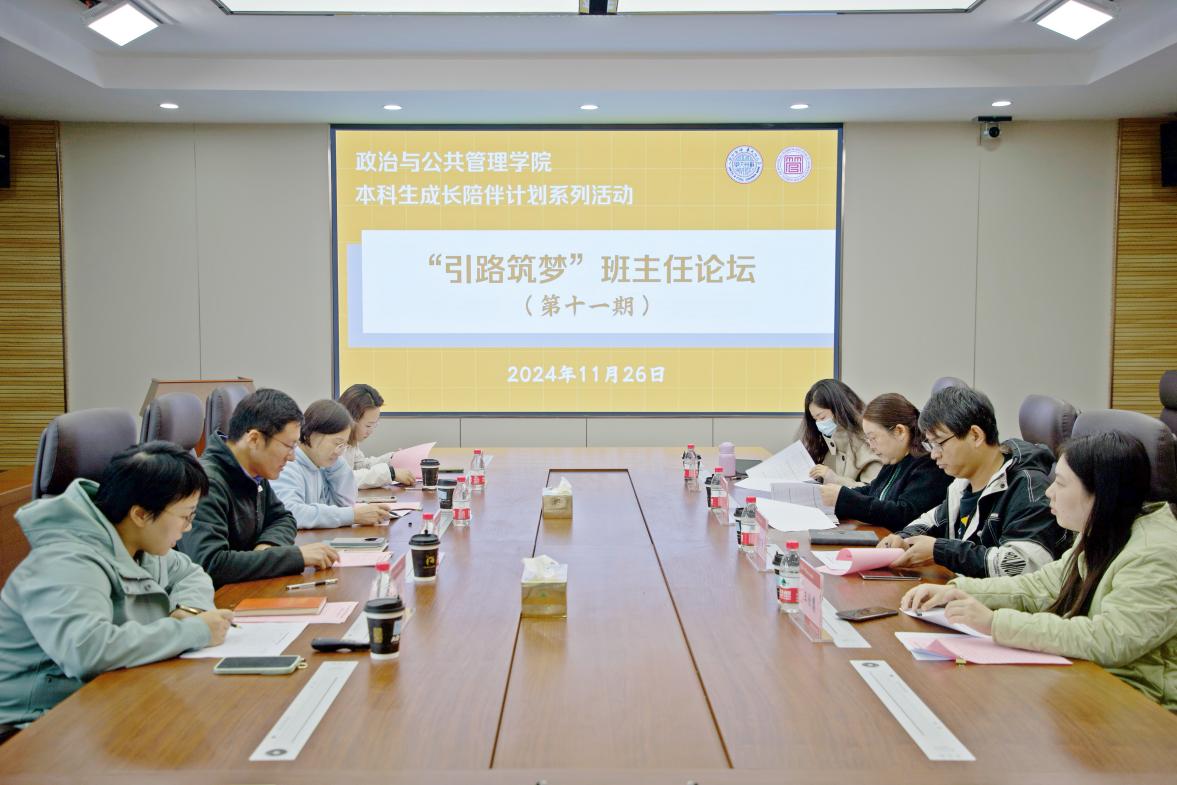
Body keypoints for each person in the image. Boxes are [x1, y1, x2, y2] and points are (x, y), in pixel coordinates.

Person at [901, 432, 1177, 710]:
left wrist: (995, 623)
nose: (1049, 492)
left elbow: (1110, 639)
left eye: (1061, 483)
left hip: (1143, 704)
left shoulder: (1155, 553)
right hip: (1094, 680)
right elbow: (1041, 586)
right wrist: (959, 591)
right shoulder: (1106, 526)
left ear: (1101, 493)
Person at [0, 442, 235, 731]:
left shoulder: (136, 540)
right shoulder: (66, 560)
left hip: (103, 697)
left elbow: (190, 573)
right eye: (186, 516)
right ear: (140, 514)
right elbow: (87, 650)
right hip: (34, 724)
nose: (188, 528)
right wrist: (194, 631)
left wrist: (188, 609)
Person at [880, 385, 1066, 578]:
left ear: (975, 436)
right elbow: (932, 520)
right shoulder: (963, 482)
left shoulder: (1028, 487)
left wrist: (942, 551)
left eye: (939, 443)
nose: (934, 454)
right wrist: (902, 539)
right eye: (931, 444)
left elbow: (1021, 565)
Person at [177, 388, 338, 587]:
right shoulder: (206, 483)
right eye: (288, 446)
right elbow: (211, 564)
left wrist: (267, 547)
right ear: (254, 439)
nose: (292, 457)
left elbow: (283, 518)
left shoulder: (254, 472)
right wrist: (294, 557)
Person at [820, 393, 952, 530]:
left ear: (899, 431)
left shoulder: (929, 466)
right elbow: (872, 490)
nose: (871, 446)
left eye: (873, 438)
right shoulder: (894, 459)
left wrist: (844, 499)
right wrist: (837, 495)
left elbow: (904, 514)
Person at [273, 399, 394, 529]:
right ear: (311, 434)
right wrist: (352, 515)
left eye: (344, 445)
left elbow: (345, 503)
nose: (340, 451)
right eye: (337, 443)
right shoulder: (287, 466)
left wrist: (336, 460)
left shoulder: (320, 464)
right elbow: (291, 513)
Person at [800, 379, 882, 488]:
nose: (819, 424)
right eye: (815, 419)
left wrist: (834, 479)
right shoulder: (825, 444)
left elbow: (874, 491)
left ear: (840, 409)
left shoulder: (869, 442)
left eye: (822, 417)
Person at [338, 384, 415, 489]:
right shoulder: (333, 441)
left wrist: (392, 458)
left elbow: (360, 465)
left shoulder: (350, 439)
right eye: (368, 425)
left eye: (374, 425)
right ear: (351, 420)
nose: (371, 431)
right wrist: (390, 474)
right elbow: (343, 479)